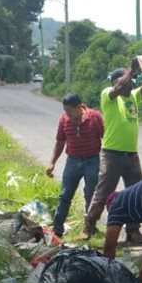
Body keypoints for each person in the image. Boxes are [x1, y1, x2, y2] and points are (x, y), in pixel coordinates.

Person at [84, 60, 142, 244]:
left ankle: (133, 231)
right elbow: (119, 87)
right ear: (117, 82)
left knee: (136, 193)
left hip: (131, 155)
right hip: (112, 154)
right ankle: (89, 224)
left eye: (133, 81)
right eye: (129, 81)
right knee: (103, 192)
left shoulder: (133, 97)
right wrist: (132, 68)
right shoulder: (108, 95)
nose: (132, 84)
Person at [45, 93, 104, 241]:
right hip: (72, 161)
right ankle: (57, 230)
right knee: (65, 195)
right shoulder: (64, 120)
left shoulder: (95, 117)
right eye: (65, 111)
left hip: (92, 160)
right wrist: (52, 162)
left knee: (91, 194)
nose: (67, 115)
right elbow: (60, 142)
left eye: (69, 111)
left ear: (79, 107)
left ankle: (90, 227)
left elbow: (106, 137)